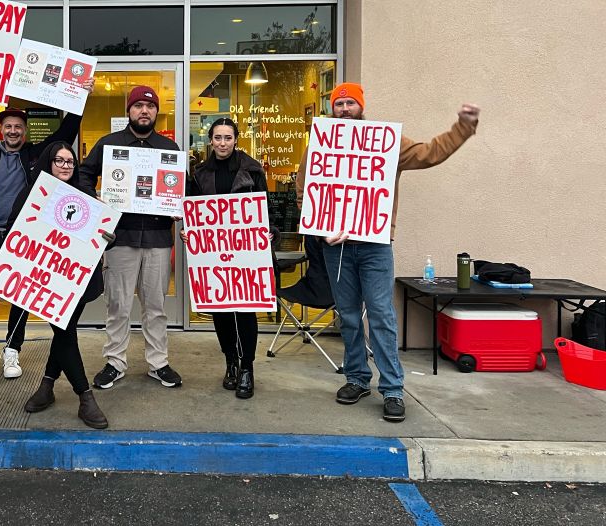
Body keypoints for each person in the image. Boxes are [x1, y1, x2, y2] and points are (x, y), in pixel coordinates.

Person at [296, 82, 480, 422]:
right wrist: (322, 229)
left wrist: (463, 128)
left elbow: (429, 153)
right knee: (348, 316)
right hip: (337, 249)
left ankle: (393, 389)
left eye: (351, 103)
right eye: (340, 103)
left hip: (375, 246)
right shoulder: (320, 145)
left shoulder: (384, 143)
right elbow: (306, 190)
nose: (346, 109)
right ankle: (357, 378)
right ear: (332, 108)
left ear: (361, 106)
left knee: (381, 316)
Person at [0, 107, 83, 382]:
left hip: (23, 239)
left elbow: (65, 133)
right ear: (1, 129)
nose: (13, 131)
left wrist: (79, 99)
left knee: (21, 299)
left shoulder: (35, 155)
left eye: (18, 127)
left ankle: (12, 349)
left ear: (25, 130)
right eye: (8, 126)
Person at [78, 85, 183, 389]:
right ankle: (115, 361)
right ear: (129, 110)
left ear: (156, 112)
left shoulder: (168, 148)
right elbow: (85, 173)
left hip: (158, 239)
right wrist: (94, 202)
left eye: (150, 107)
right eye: (138, 106)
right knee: (118, 305)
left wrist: (176, 205)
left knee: (156, 306)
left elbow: (178, 187)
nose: (144, 111)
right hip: (120, 237)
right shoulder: (109, 144)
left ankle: (158, 362)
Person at [14, 141, 111, 429]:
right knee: (65, 331)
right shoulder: (32, 194)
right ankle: (85, 396)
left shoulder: (84, 194)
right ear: (49, 162)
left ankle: (46, 386)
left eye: (70, 161)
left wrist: (108, 235)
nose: (66, 166)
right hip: (45, 280)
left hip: (76, 280)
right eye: (60, 160)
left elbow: (98, 231)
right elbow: (14, 230)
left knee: (63, 333)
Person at [181, 118, 279, 399]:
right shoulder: (198, 173)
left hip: (247, 255)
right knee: (221, 312)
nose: (222, 143)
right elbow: (193, 213)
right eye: (217, 138)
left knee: (246, 312)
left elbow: (266, 210)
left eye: (228, 138)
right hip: (214, 256)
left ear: (236, 140)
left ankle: (247, 367)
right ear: (210, 140)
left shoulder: (252, 170)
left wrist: (270, 232)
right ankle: (230, 362)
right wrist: (191, 233)